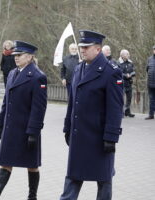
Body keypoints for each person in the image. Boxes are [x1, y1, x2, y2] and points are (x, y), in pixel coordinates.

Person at [0, 41, 47, 200]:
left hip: (27, 128)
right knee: (6, 162)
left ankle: (32, 197)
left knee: (32, 165)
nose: (16, 58)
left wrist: (33, 132)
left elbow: (39, 108)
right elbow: (6, 102)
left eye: (19, 55)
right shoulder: (13, 73)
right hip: (11, 127)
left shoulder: (38, 77)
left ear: (29, 57)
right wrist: (0, 123)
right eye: (15, 55)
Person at [60, 30, 123, 200]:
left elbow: (115, 108)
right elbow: (72, 102)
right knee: (72, 177)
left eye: (86, 47)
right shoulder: (79, 68)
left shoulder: (111, 72)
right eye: (81, 47)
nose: (82, 50)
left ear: (97, 49)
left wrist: (111, 136)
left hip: (99, 137)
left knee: (103, 180)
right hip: (79, 136)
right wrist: (67, 127)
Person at [118, 49, 136, 117]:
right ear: (122, 55)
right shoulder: (119, 63)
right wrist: (125, 75)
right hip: (122, 83)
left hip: (129, 83)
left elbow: (134, 71)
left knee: (129, 98)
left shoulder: (130, 62)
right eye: (127, 54)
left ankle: (127, 111)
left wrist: (131, 74)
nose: (129, 55)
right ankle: (121, 112)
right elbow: (118, 73)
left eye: (128, 54)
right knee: (121, 99)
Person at [145, 45, 155, 120]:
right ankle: (151, 114)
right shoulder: (149, 59)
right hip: (150, 83)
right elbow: (147, 69)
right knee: (151, 99)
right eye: (154, 49)